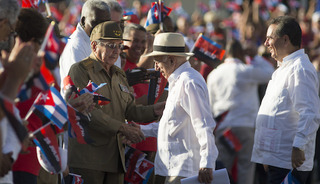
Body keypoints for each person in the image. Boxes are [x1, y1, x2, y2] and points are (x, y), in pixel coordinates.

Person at [67, 21, 164, 184]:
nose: (116, 51)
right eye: (111, 45)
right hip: (88, 159)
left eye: (119, 46)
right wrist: (122, 127)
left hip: (115, 159)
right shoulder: (80, 70)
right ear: (94, 45)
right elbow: (88, 112)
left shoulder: (119, 74)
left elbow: (130, 111)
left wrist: (155, 110)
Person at [251, 16, 320, 184]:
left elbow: (309, 112)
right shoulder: (284, 69)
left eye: (269, 38)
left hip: (288, 161)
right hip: (276, 160)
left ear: (285, 39)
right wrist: (266, 155)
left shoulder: (300, 69)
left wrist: (298, 146)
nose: (266, 43)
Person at [143, 33, 218, 184]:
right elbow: (171, 126)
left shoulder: (188, 82)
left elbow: (203, 125)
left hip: (183, 171)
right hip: (172, 168)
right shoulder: (180, 81)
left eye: (157, 61)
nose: (156, 67)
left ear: (171, 59)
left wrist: (206, 163)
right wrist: (140, 130)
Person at [207, 39, 274, 184]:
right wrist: (256, 56)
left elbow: (210, 104)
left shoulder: (214, 74)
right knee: (245, 168)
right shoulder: (245, 70)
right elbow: (270, 73)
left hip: (223, 128)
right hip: (245, 126)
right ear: (241, 53)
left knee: (222, 170)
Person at [59, 0, 111, 93]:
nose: (101, 28)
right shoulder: (76, 47)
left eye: (105, 23)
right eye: (96, 22)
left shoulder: (99, 41)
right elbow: (81, 88)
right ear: (83, 21)